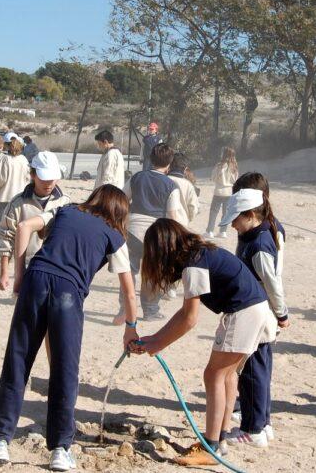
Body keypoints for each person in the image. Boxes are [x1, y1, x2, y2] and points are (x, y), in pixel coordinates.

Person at [0, 185, 139, 472]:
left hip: (36, 279)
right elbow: (129, 292)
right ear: (120, 212)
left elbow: (24, 226)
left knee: (18, 362)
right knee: (65, 370)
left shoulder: (65, 210)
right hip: (68, 291)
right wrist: (131, 326)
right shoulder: (115, 235)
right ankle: (60, 449)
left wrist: (20, 276)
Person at [132, 219, 276, 466]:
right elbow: (183, 314)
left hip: (244, 312)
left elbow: (189, 319)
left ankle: (209, 447)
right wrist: (155, 339)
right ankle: (219, 442)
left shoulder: (193, 263)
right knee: (228, 376)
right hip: (257, 309)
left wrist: (158, 344)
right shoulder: (200, 253)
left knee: (213, 375)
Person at [220, 186, 288, 448]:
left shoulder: (258, 245)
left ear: (250, 215)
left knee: (251, 374)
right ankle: (264, 422)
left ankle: (253, 429)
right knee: (260, 371)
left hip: (258, 317)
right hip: (259, 315)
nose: (234, 226)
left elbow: (273, 283)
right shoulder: (255, 235)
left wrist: (282, 314)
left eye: (236, 219)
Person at [117, 143, 187, 323]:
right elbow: (172, 214)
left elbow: (122, 198)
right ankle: (150, 311)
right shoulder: (171, 185)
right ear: (170, 163)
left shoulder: (137, 177)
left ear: (150, 159)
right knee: (152, 273)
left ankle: (124, 308)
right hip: (156, 234)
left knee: (129, 271)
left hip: (132, 230)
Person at [0, 152, 70, 292]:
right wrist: (4, 273)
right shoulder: (17, 204)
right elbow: (6, 237)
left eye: (52, 178)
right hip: (28, 268)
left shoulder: (65, 202)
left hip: (58, 269)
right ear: (33, 175)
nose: (49, 183)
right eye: (44, 178)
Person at [0, 138, 31, 252]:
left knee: (0, 225)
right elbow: (28, 177)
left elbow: (1, 178)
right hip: (20, 197)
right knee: (17, 226)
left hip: (5, 196)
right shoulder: (24, 159)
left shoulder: (6, 159)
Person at [205, 147, 239, 239]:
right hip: (229, 192)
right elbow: (235, 180)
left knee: (213, 212)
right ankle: (223, 232)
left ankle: (210, 231)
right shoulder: (234, 166)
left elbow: (213, 178)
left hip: (219, 191)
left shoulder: (219, 165)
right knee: (226, 213)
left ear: (224, 154)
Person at [168, 153, 200, 229]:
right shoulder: (188, 185)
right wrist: (189, 218)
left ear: (169, 165)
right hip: (181, 224)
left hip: (163, 222)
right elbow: (193, 206)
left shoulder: (164, 180)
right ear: (185, 169)